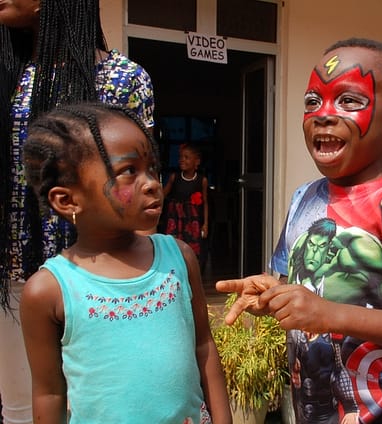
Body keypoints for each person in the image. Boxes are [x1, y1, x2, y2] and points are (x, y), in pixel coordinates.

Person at [216, 38, 382, 423]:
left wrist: (328, 314)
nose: (323, 114)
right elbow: (293, 287)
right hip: (311, 407)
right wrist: (270, 296)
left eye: (349, 101)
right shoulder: (304, 198)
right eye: (313, 101)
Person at [19, 102, 231, 423]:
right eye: (128, 171)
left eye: (151, 168)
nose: (151, 183)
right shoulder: (48, 291)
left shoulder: (178, 257)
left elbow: (203, 347)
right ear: (68, 200)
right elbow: (49, 393)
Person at [0, 1, 154, 421]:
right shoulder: (8, 73)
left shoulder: (121, 79)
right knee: (19, 409)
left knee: (102, 407)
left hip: (97, 275)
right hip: (13, 278)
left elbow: (135, 182)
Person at [162, 143, 209, 271]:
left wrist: (205, 224)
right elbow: (162, 196)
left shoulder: (201, 180)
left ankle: (191, 272)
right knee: (173, 245)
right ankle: (174, 271)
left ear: (197, 162)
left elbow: (205, 202)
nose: (182, 160)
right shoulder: (174, 177)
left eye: (186, 157)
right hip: (175, 220)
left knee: (192, 247)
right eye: (181, 157)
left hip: (192, 221)